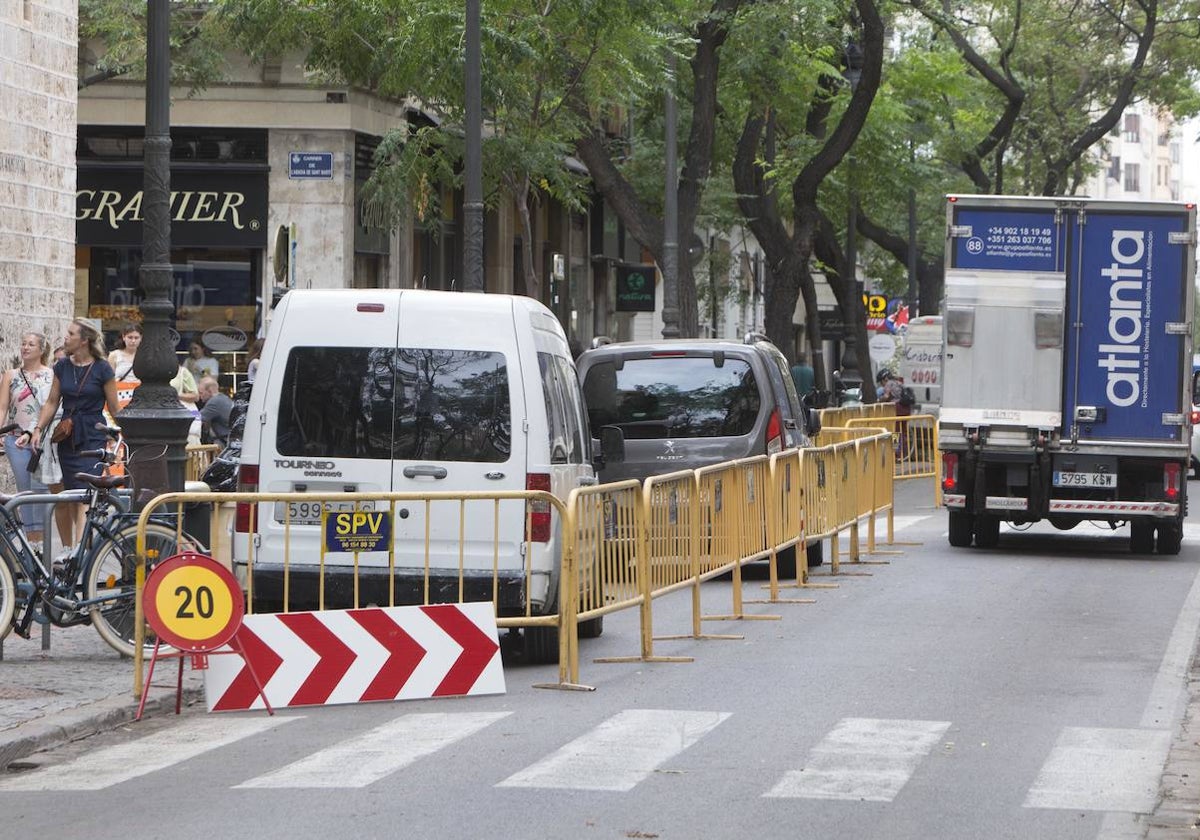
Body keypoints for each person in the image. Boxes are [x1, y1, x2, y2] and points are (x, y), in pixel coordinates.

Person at [20, 319, 121, 549]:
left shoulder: (103, 368)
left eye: (70, 333)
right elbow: (52, 402)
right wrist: (38, 429)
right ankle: (71, 550)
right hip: (67, 438)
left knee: (85, 496)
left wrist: (128, 430)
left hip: (93, 435)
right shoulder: (62, 366)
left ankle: (79, 555)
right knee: (72, 494)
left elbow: (115, 408)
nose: (65, 337)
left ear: (84, 340)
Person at [0, 332, 66, 545]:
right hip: (15, 439)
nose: (25, 347)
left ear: (41, 350)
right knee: (25, 490)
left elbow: (54, 405)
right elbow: (2, 408)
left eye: (31, 344)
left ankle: (43, 541)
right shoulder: (11, 375)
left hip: (43, 440)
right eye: (23, 343)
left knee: (43, 489)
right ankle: (32, 542)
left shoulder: (52, 374)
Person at [106, 323, 142, 413]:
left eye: (136, 338)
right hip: (119, 396)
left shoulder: (145, 357)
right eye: (130, 337)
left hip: (139, 397)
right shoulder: (114, 355)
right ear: (123, 337)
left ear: (141, 338)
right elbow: (108, 380)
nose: (133, 341)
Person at [197, 376, 233, 446]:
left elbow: (197, 417)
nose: (199, 396)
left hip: (223, 442)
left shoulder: (214, 402)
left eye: (201, 393)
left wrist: (191, 410)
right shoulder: (223, 398)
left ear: (210, 391)